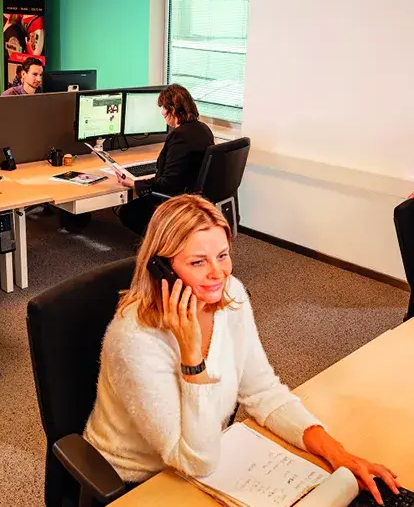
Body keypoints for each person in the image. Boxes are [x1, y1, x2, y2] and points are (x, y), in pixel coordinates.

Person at [84, 195, 399, 505]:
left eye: (222, 255)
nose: (217, 273)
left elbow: (262, 391)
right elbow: (195, 462)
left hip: (206, 456)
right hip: (140, 482)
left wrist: (339, 455)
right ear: (161, 269)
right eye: (197, 262)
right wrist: (192, 358)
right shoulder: (136, 338)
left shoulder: (229, 295)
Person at [117, 84, 214, 236]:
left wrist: (135, 183)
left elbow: (167, 183)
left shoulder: (179, 136)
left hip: (177, 201)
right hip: (194, 197)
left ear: (173, 109)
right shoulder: (203, 129)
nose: (162, 112)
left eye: (163, 107)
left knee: (128, 212)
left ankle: (163, 246)